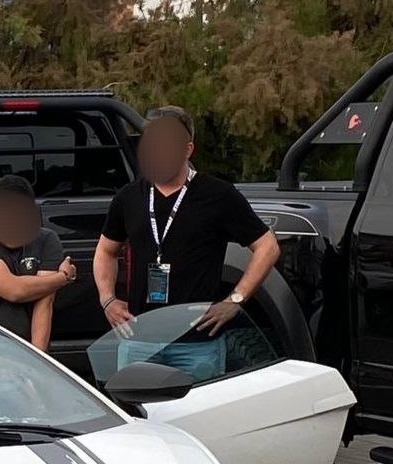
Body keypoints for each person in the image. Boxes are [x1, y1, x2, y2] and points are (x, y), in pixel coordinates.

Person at [93, 106, 281, 379]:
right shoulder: (129, 197)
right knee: (139, 420)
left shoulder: (218, 195)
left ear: (187, 149)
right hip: (139, 342)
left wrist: (235, 300)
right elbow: (106, 251)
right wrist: (107, 299)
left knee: (198, 420)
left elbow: (267, 246)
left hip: (197, 344)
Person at [0, 175, 77, 349]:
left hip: (25, 349)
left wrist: (38, 360)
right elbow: (15, 290)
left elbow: (44, 303)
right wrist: (63, 277)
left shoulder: (46, 239)